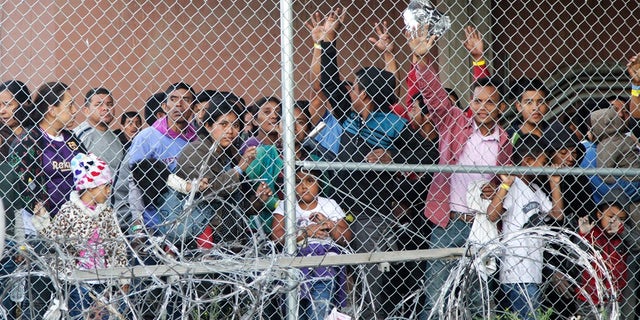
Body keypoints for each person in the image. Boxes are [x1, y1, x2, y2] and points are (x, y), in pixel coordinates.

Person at [310, 9, 408, 319]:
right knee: (343, 280)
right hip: (341, 213)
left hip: (373, 216)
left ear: (364, 94)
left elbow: (420, 156)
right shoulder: (350, 118)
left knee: (371, 283)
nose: (349, 91)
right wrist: (328, 41)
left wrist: (392, 157)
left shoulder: (395, 125)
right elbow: (330, 81)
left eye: (354, 88)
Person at [413, 26, 512, 319]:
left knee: (478, 296)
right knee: (435, 294)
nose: (482, 107)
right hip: (449, 221)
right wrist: (421, 60)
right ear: (470, 103)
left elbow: (502, 181)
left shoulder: (504, 141)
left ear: (501, 107)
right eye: (477, 101)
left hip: (481, 225)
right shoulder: (454, 122)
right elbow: (435, 96)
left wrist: (495, 189)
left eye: (490, 102)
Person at [9, 81, 84, 318]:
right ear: (52, 108)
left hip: (72, 230)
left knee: (72, 297)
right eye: (69, 105)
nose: (74, 111)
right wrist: (37, 208)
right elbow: (17, 182)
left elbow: (87, 171)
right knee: (40, 298)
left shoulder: (72, 140)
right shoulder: (30, 139)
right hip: (39, 231)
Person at [36, 153, 128, 319]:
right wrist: (43, 222)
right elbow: (53, 239)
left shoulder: (106, 212)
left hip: (104, 280)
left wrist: (122, 278)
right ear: (91, 186)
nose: (109, 191)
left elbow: (117, 244)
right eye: (106, 186)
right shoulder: (69, 211)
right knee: (78, 315)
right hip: (78, 280)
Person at [167, 98, 262, 249]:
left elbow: (240, 204)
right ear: (208, 125)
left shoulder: (231, 154)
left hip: (232, 237)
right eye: (223, 124)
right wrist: (240, 168)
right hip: (200, 239)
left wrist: (259, 199)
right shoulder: (196, 150)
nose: (230, 131)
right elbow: (211, 189)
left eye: (236, 125)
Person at [487, 134, 564, 320]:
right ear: (528, 161)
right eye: (544, 162)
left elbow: (557, 214)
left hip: (533, 269)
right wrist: (505, 186)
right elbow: (492, 214)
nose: (546, 167)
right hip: (516, 270)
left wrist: (554, 184)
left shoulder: (536, 190)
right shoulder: (513, 186)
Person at [271, 167, 352, 320]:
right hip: (295, 262)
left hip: (324, 265)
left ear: (319, 183)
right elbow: (276, 238)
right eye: (297, 181)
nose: (303, 186)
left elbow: (346, 237)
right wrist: (306, 233)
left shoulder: (329, 204)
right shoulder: (286, 204)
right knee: (295, 313)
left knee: (319, 310)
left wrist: (329, 224)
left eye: (309, 180)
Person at [574, 188, 629, 319]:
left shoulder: (624, 236)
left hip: (614, 298)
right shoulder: (592, 232)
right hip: (587, 298)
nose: (613, 222)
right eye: (610, 217)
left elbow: (637, 245)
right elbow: (576, 256)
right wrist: (584, 234)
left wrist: (622, 231)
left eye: (620, 219)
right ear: (599, 214)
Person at [73, 88, 124, 173]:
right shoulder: (81, 135)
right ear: (86, 110)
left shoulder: (115, 138)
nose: (105, 108)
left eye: (109, 104)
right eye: (98, 104)